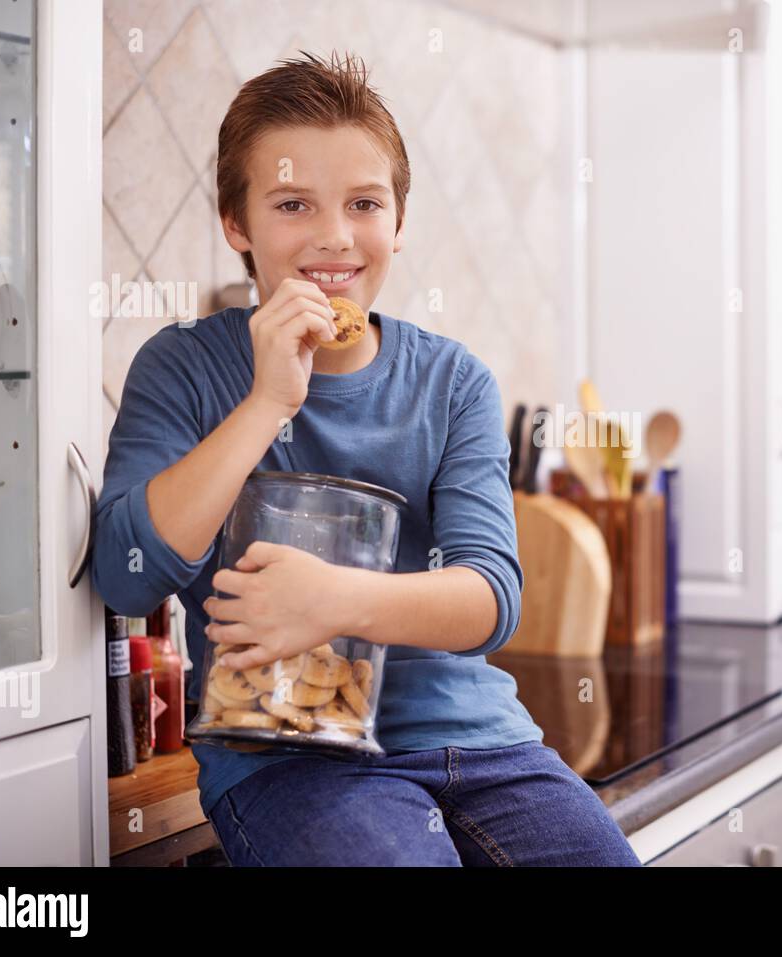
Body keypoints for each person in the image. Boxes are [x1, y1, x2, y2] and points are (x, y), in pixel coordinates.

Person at [92, 50, 640, 867]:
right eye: (292, 204)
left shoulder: (453, 382)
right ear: (236, 224)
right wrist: (268, 401)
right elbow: (129, 574)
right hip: (289, 759)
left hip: (483, 742)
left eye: (363, 203)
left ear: (399, 222)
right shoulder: (184, 368)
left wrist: (330, 599)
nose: (335, 237)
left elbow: (491, 598)